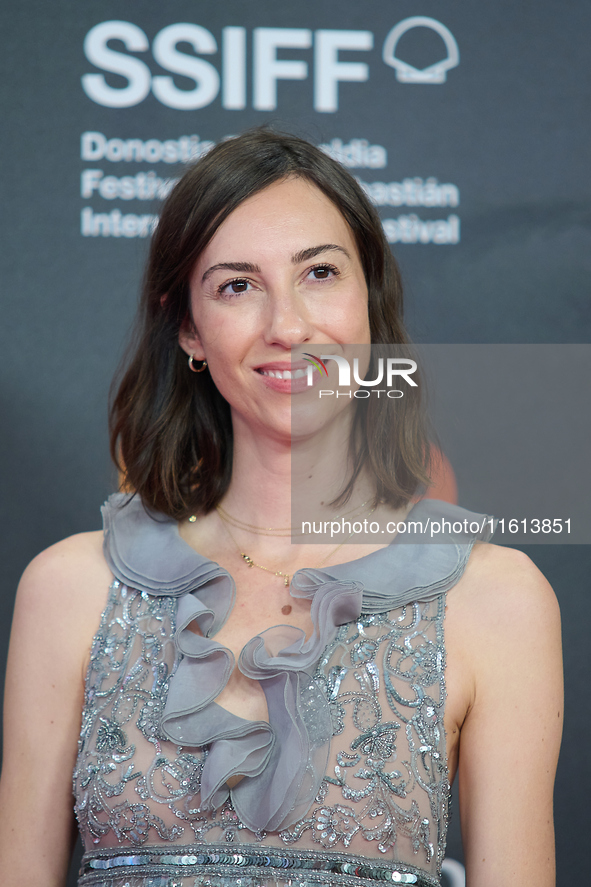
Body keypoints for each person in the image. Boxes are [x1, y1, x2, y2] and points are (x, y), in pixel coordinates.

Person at [0, 130, 562, 887]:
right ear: (188, 328)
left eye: (320, 273)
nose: (287, 326)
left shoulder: (495, 600)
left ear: (369, 299)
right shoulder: (70, 588)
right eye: (237, 285)